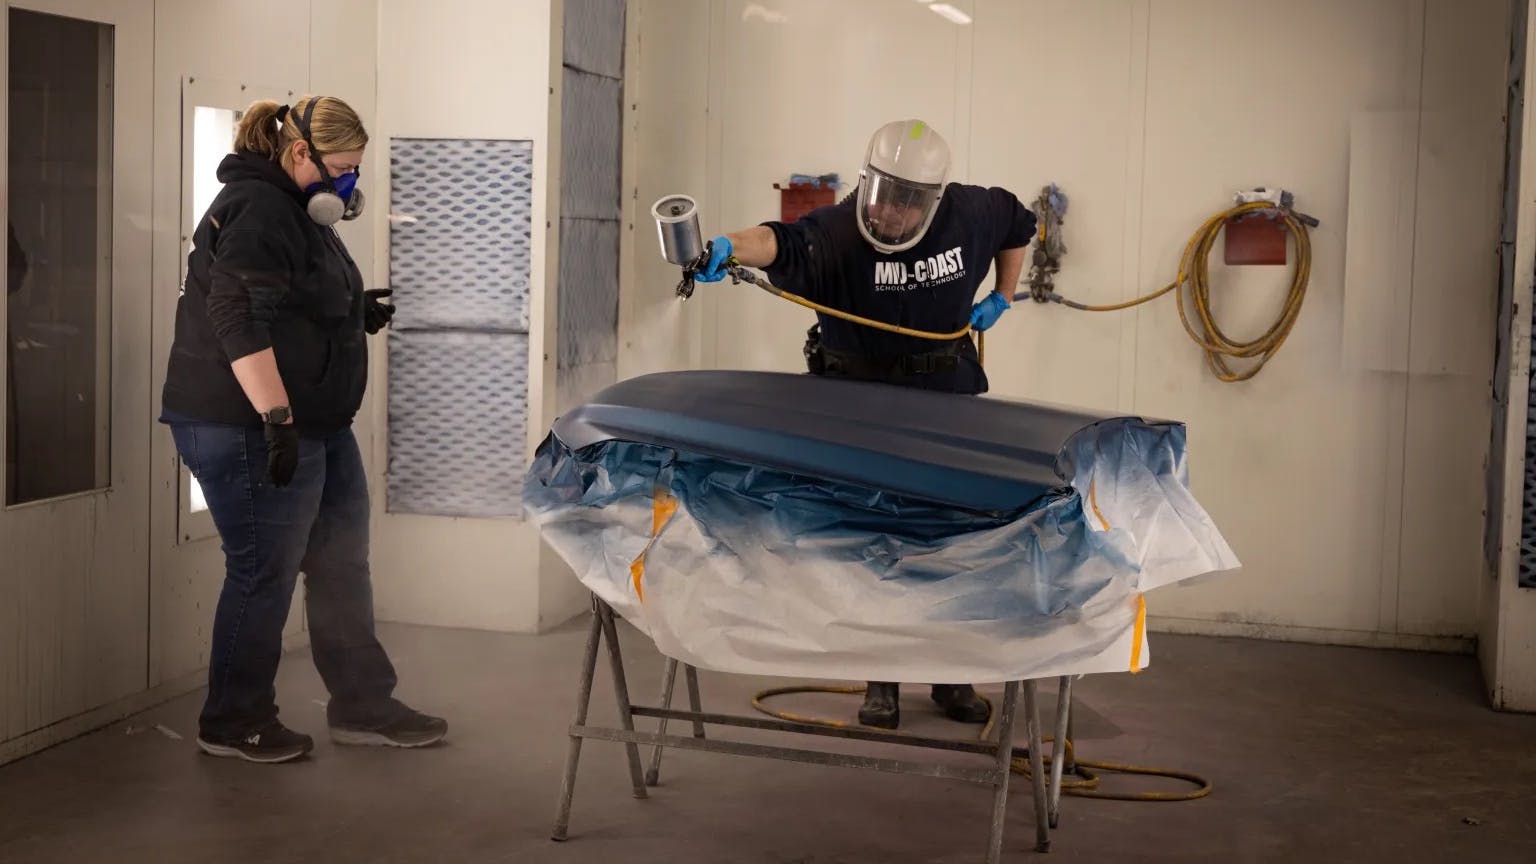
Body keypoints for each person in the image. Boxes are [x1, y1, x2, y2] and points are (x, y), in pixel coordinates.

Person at [694, 119, 1037, 730]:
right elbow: (780, 242)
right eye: (884, 194)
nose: (893, 214)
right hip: (860, 413)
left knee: (949, 544)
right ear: (867, 181)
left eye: (910, 202)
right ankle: (881, 679)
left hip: (945, 404)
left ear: (934, 198)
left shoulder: (972, 213)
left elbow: (1020, 223)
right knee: (876, 546)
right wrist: (724, 244)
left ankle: (952, 680)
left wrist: (1004, 296)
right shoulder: (839, 232)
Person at [160, 95, 441, 763]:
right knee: (264, 572)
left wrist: (350, 314)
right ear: (297, 155)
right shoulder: (259, 210)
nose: (349, 184)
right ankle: (232, 722)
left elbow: (290, 296)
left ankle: (364, 705)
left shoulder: (297, 208)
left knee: (341, 562)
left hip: (315, 423)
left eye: (354, 170)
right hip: (250, 426)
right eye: (341, 168)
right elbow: (236, 317)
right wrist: (277, 419)